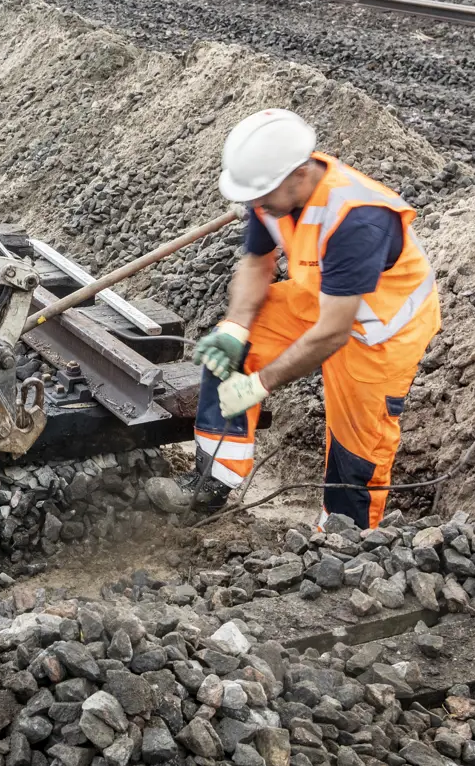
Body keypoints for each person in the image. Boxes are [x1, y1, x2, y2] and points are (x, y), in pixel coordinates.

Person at [148, 108, 442, 529]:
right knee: (229, 352)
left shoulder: (357, 219)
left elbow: (332, 334)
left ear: (299, 176)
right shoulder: (273, 194)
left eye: (261, 195)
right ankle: (210, 483)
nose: (255, 205)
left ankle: (346, 538)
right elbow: (256, 264)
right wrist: (235, 327)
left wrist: (259, 384)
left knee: (358, 447)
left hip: (380, 332)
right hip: (321, 300)